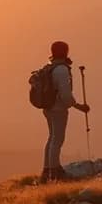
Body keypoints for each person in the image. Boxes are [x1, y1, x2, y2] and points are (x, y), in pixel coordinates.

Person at [41, 41, 90, 183]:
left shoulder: (50, 67)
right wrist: (79, 106)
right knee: (57, 139)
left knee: (52, 138)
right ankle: (54, 172)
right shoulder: (61, 70)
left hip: (48, 108)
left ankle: (47, 170)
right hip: (58, 109)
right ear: (65, 52)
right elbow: (66, 95)